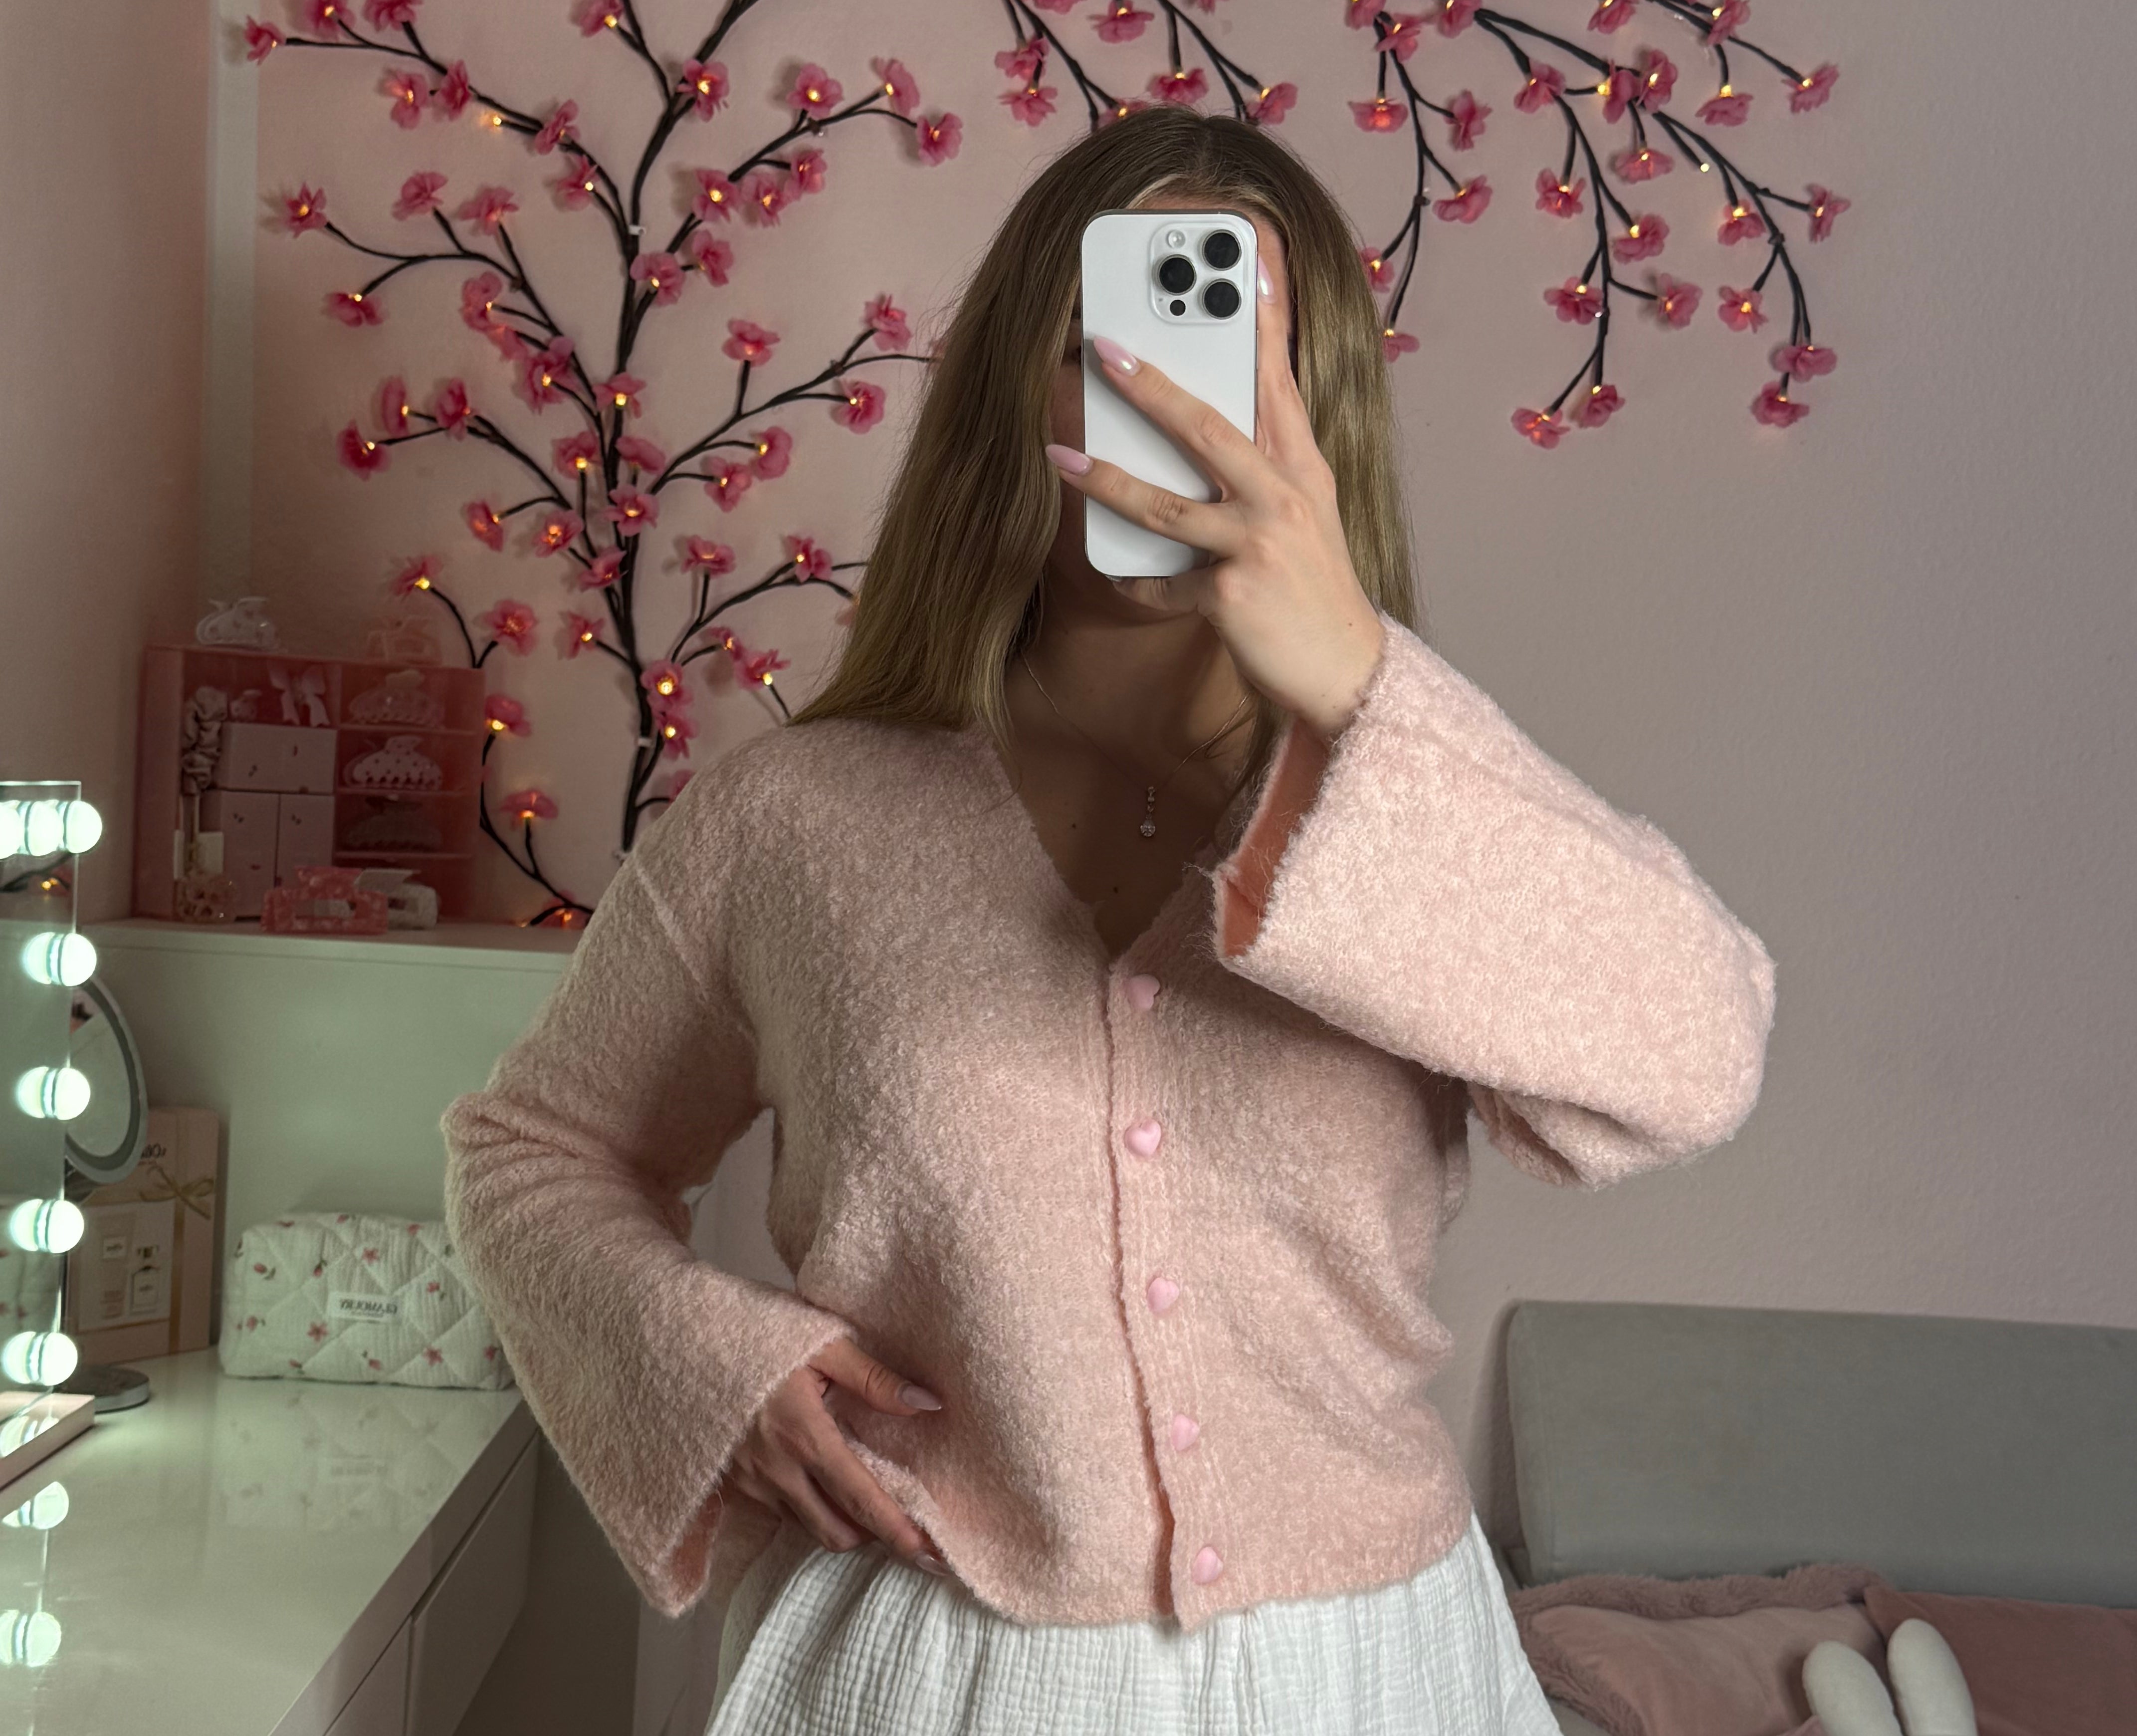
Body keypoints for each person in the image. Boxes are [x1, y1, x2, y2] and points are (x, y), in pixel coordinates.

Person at [440, 106, 1778, 1735]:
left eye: (1236, 360)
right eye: (1109, 345)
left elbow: (1696, 1052)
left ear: (1324, 424)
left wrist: (1357, 683)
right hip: (936, 1673)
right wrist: (707, 1363)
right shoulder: (792, 823)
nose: (1169, 403)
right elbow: (529, 1154)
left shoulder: (1409, 802)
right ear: (1014, 387)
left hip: (1368, 1677)